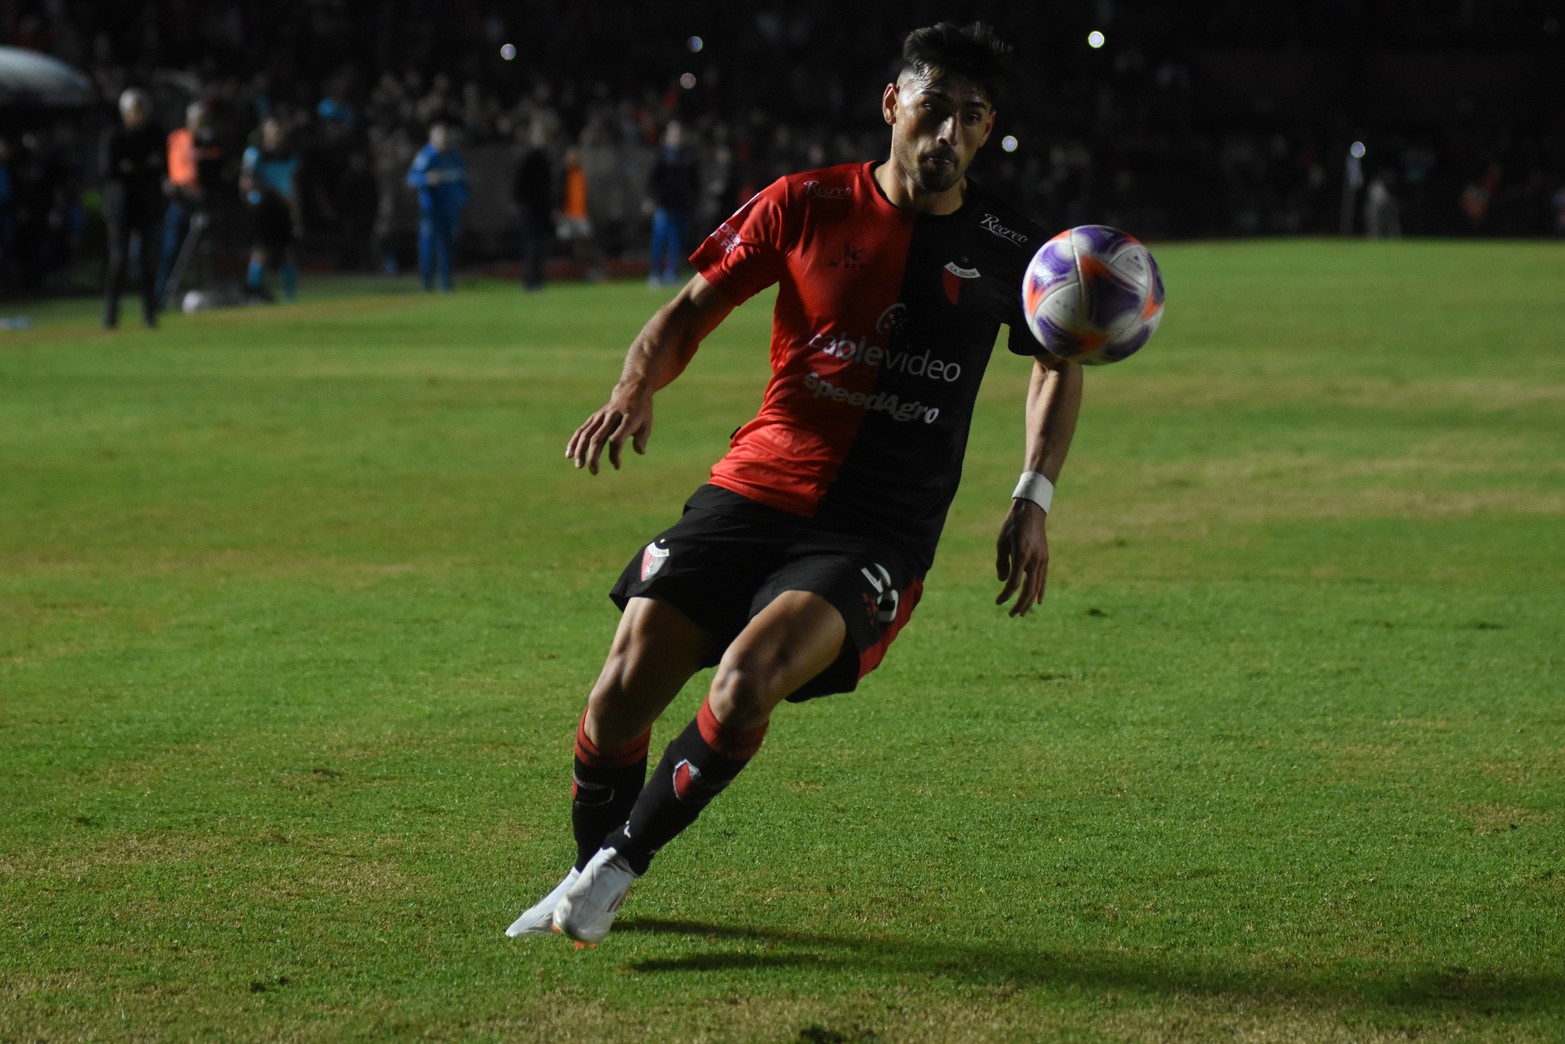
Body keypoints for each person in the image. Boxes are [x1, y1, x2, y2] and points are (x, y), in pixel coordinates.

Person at [506, 22, 1084, 947]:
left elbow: (1058, 362)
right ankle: (585, 874)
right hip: (754, 489)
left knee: (746, 681)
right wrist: (632, 391)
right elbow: (688, 312)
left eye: (971, 118)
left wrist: (1032, 497)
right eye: (934, 108)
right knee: (618, 695)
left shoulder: (1016, 248)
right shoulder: (805, 202)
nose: (949, 134)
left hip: (875, 529)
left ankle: (614, 869)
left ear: (986, 130)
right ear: (892, 104)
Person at [100, 88, 165, 329]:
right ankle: (110, 314)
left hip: (146, 206)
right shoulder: (114, 136)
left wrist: (132, 168)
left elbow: (160, 165)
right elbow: (109, 170)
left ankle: (149, 313)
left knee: (148, 263)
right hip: (121, 208)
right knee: (118, 261)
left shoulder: (154, 133)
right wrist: (142, 167)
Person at [156, 101, 216, 307]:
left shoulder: (209, 140)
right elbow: (173, 168)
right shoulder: (178, 138)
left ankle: (211, 290)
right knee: (172, 248)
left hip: (204, 201)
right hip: (181, 201)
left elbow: (216, 165)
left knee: (208, 251)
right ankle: (162, 295)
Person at [240, 117, 302, 301]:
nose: (276, 136)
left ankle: (290, 296)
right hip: (263, 208)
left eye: (279, 132)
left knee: (287, 252)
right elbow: (247, 182)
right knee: (261, 251)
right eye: (273, 131)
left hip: (283, 209)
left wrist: (296, 212)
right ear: (265, 132)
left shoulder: (288, 154)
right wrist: (273, 193)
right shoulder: (255, 154)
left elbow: (293, 184)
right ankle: (254, 291)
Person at [406, 121, 469, 292]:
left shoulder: (454, 158)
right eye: (440, 137)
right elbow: (411, 178)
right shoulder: (426, 156)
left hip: (450, 210)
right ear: (432, 138)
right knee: (428, 245)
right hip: (431, 209)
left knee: (448, 245)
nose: (444, 140)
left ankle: (446, 282)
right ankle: (427, 283)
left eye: (446, 137)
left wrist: (463, 201)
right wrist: (427, 179)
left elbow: (462, 183)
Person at [644, 120, 698, 286]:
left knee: (677, 240)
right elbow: (652, 180)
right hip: (663, 204)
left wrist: (693, 200)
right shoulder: (661, 155)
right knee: (660, 239)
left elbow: (695, 181)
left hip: (680, 205)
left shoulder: (687, 156)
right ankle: (655, 273)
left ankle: (672, 272)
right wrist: (651, 199)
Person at [512, 124, 552, 291]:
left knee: (537, 245)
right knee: (532, 245)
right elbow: (520, 185)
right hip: (529, 208)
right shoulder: (530, 157)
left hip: (538, 207)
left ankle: (537, 280)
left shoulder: (542, 157)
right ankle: (531, 281)